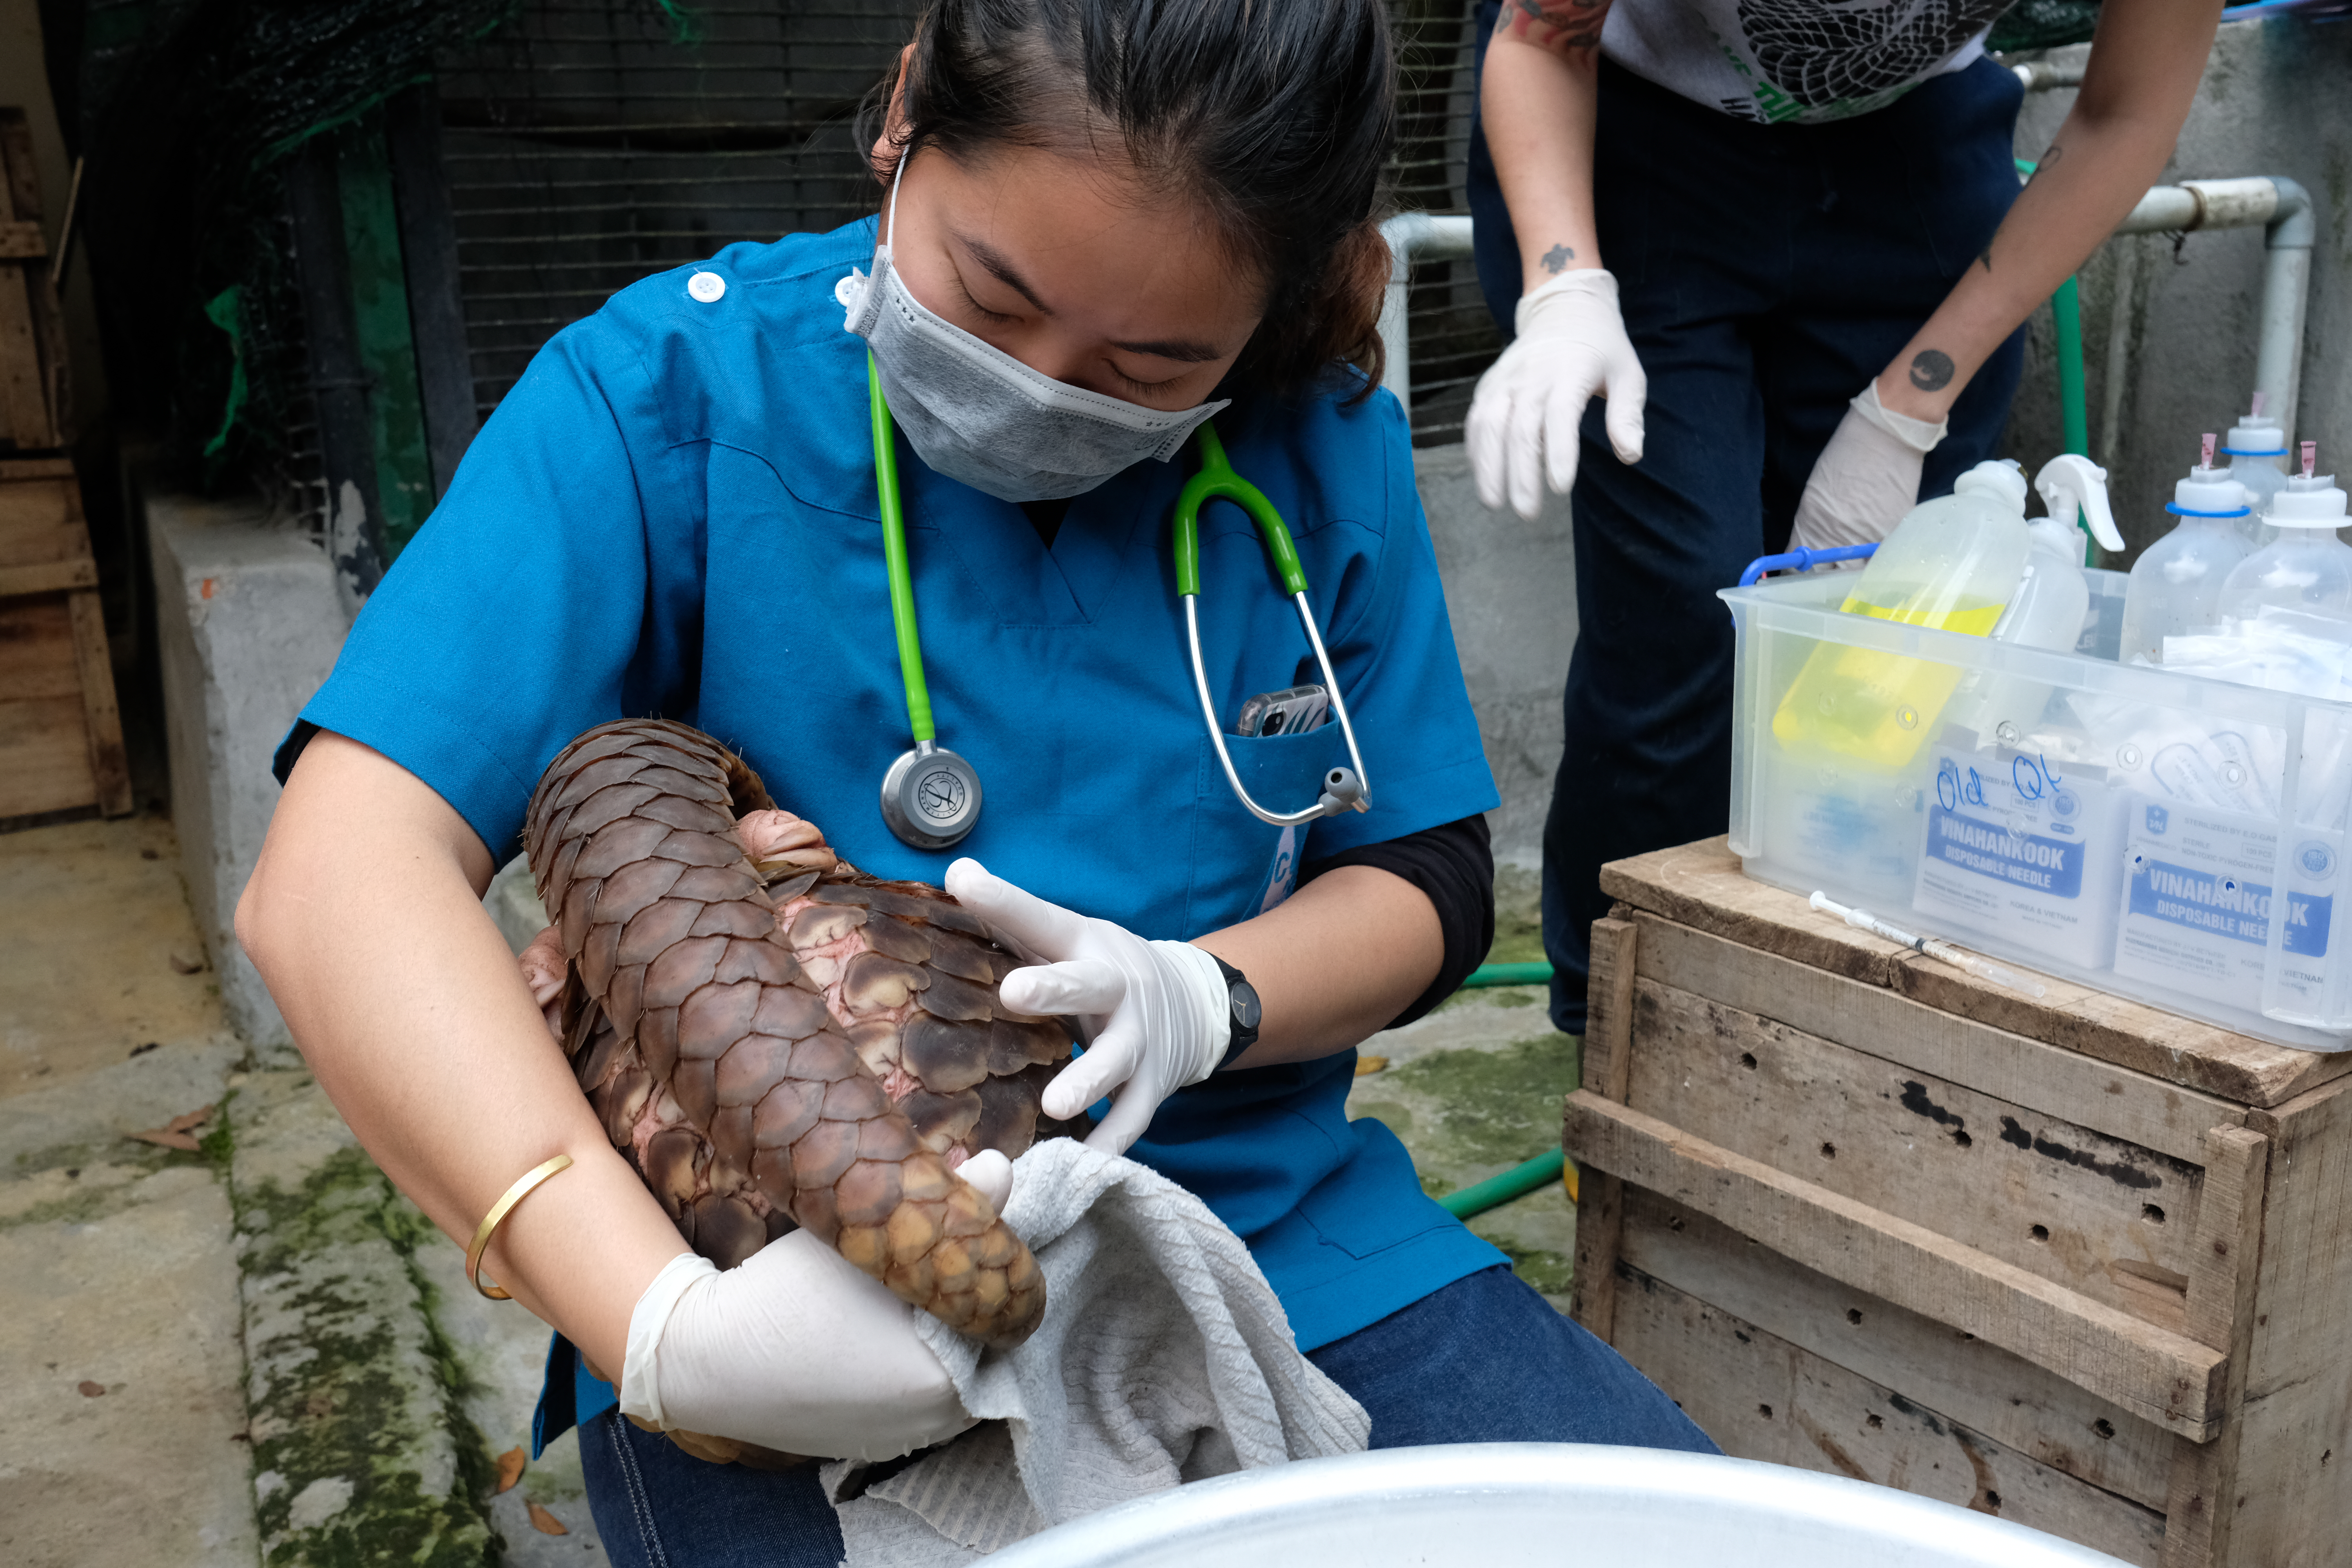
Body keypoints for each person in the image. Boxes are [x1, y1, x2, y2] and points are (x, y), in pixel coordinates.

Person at [237, 2, 1717, 1563]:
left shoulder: (1316, 440)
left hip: (1255, 1227)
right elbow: (334, 882)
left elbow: (1424, 876)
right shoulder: (665, 392)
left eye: (1154, 364)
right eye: (991, 295)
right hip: (788, 1267)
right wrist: (665, 1327)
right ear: (900, 119)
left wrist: (1203, 995)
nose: (1041, 388)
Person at [1463, 0, 2224, 1036]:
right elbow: (1545, 33)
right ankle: (1622, 1031)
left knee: (1897, 629)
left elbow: (2129, 112)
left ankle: (1848, 1017)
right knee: (1686, 607)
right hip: (1636, 126)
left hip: (1911, 148)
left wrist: (1912, 402)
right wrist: (1567, 291)